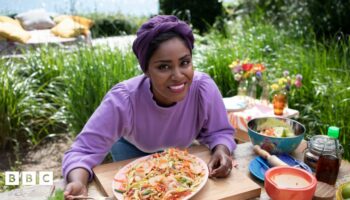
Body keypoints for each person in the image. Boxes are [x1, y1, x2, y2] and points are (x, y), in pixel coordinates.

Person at [63, 15, 236, 199]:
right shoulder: (123, 99)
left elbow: (220, 132)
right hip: (132, 150)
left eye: (185, 62)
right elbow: (84, 150)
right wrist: (78, 182)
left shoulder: (203, 88)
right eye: (163, 67)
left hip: (180, 156)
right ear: (146, 70)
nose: (178, 76)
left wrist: (221, 150)